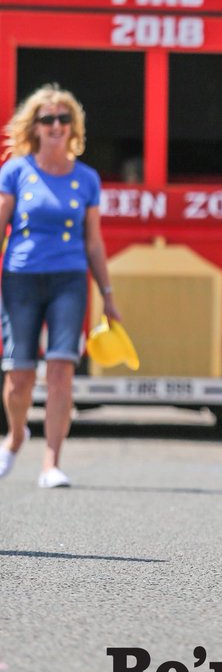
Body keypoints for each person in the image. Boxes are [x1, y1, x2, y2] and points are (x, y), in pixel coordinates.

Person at [0, 84, 120, 489]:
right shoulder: (15, 171)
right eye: (47, 119)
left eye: (63, 119)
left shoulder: (86, 178)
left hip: (69, 279)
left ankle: (51, 462)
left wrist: (107, 294)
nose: (55, 126)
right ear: (34, 126)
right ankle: (16, 436)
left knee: (61, 371)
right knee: (18, 376)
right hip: (20, 278)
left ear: (73, 127)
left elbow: (94, 241)